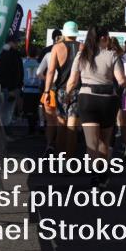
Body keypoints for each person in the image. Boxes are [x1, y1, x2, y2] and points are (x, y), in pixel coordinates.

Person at [67, 26, 126, 187]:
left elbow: (72, 81)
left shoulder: (81, 56)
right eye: (107, 37)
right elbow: (121, 80)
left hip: (87, 99)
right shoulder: (112, 55)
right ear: (103, 38)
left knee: (91, 142)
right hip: (108, 100)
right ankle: (102, 172)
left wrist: (67, 95)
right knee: (104, 140)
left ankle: (95, 174)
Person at [45, 21, 82, 157]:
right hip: (78, 89)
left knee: (61, 125)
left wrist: (47, 91)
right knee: (72, 127)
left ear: (64, 32)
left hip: (61, 90)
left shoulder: (57, 47)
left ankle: (59, 156)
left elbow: (50, 71)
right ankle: (69, 159)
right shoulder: (82, 47)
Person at [39, 30, 63, 155]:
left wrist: (47, 80)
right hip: (63, 90)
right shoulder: (68, 52)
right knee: (61, 121)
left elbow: (38, 72)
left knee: (50, 122)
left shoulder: (47, 53)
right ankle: (59, 148)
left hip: (48, 90)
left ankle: (49, 145)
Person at [0, 42, 24, 127]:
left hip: (11, 86)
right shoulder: (10, 54)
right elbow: (10, 72)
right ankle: (5, 128)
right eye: (15, 41)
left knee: (8, 109)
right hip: (10, 87)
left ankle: (6, 127)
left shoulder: (8, 53)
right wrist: (11, 88)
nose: (17, 43)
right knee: (7, 109)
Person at [22, 47, 44, 135]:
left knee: (28, 110)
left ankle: (31, 127)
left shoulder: (24, 64)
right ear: (37, 54)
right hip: (37, 90)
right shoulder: (39, 64)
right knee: (36, 109)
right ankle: (36, 125)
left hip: (27, 89)